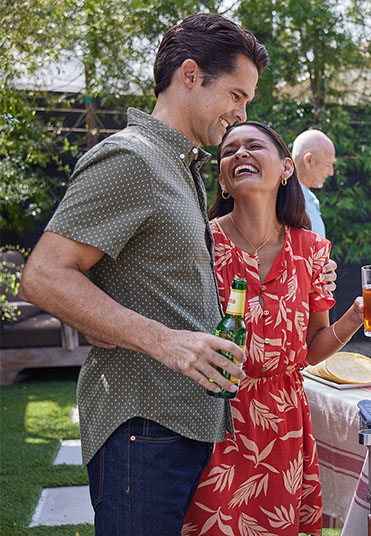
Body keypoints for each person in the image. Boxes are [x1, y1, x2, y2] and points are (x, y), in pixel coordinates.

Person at [18, 14, 268, 533]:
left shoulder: (179, 166)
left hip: (174, 426)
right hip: (143, 429)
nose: (242, 113)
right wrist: (167, 343)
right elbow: (43, 274)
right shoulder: (133, 158)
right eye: (237, 95)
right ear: (192, 75)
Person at [182, 122, 364, 535]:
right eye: (230, 151)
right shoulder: (200, 244)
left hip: (284, 421)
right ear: (224, 181)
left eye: (253, 146)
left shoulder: (312, 251)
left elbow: (310, 351)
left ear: (286, 168)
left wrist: (352, 318)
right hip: (215, 419)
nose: (240, 154)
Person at [292, 129, 336, 237]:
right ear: (309, 160)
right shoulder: (287, 200)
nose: (331, 172)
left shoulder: (308, 197)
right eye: (328, 165)